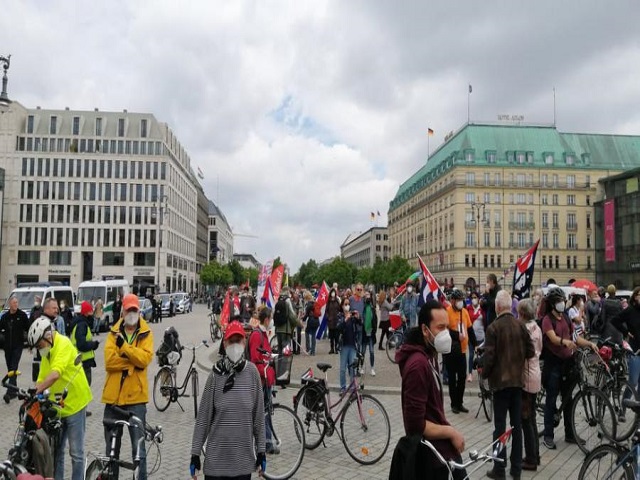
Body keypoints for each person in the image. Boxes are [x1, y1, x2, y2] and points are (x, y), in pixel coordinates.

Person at [391, 300, 466, 480]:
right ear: (425, 330)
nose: (445, 334)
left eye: (447, 327)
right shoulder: (418, 365)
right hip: (430, 457)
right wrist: (451, 432)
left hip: (439, 450)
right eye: (440, 327)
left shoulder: (429, 355)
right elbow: (416, 424)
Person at [190, 321, 265, 479]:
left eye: (238, 340)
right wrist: (195, 454)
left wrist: (261, 451)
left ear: (244, 342)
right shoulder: (215, 376)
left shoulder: (252, 374)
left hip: (243, 465)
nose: (235, 345)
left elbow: (258, 418)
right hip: (216, 466)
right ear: (224, 343)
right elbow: (203, 418)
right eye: (231, 341)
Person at [29, 316, 92, 480]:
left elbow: (55, 374)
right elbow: (42, 378)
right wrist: (31, 395)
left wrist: (37, 391)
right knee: (56, 453)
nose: (39, 349)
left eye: (39, 345)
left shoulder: (62, 344)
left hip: (75, 404)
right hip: (58, 406)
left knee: (76, 453)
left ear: (48, 336)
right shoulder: (47, 352)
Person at [101, 293, 154, 480]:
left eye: (135, 309)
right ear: (122, 311)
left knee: (139, 451)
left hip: (136, 400)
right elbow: (109, 362)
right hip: (113, 399)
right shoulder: (113, 333)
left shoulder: (146, 333)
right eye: (128, 309)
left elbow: (145, 359)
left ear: (138, 311)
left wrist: (124, 349)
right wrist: (132, 362)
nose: (131, 312)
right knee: (111, 452)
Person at [483, 291, 534, 480]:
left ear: (497, 307)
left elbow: (489, 358)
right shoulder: (521, 326)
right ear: (509, 306)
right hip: (517, 383)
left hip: (500, 384)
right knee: (517, 426)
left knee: (499, 428)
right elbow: (530, 351)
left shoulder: (493, 328)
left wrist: (485, 373)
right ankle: (516, 470)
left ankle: (499, 468)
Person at [540, 287, 598, 449]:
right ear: (552, 304)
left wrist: (590, 344)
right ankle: (548, 436)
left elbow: (575, 338)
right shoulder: (547, 320)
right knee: (551, 400)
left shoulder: (565, 317)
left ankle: (570, 433)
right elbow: (552, 337)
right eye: (559, 301)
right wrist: (563, 342)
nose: (562, 303)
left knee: (569, 400)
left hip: (568, 363)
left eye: (562, 300)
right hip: (553, 364)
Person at [517, 299, 543, 471]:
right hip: (535, 373)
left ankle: (531, 459)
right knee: (532, 418)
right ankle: (535, 454)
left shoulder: (524, 329)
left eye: (519, 312)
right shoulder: (537, 327)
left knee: (526, 420)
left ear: (523, 314)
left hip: (526, 377)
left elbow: (521, 354)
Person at [248, 308, 278, 453]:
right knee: (263, 413)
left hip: (266, 379)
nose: (271, 321)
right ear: (266, 319)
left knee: (266, 412)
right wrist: (266, 370)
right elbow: (254, 360)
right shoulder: (256, 335)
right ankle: (266, 444)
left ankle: (267, 442)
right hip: (260, 380)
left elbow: (264, 354)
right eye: (271, 318)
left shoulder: (263, 334)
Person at [444, 289, 476, 414]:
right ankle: (454, 404)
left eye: (461, 300)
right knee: (452, 378)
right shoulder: (447, 312)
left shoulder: (465, 312)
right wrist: (457, 335)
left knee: (462, 377)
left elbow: (470, 329)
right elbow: (445, 331)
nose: (460, 302)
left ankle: (460, 402)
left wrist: (475, 344)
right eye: (458, 300)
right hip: (451, 351)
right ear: (452, 301)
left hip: (462, 350)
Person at [70, 301, 100, 416]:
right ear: (87, 312)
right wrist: (93, 345)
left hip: (81, 360)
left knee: (82, 386)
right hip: (82, 361)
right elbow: (81, 344)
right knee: (84, 387)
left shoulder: (80, 323)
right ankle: (80, 410)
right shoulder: (82, 325)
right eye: (91, 311)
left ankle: (81, 409)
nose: (92, 313)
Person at [0, 296, 30, 403]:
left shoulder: (22, 315)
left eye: (17, 302)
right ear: (9, 304)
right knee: (10, 369)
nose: (16, 304)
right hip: (7, 347)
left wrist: (30, 345)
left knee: (13, 367)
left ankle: (9, 392)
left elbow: (29, 329)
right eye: (14, 303)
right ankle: (15, 390)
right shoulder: (5, 317)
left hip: (18, 346)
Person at [612, 287, 640, 395]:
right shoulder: (630, 310)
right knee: (633, 381)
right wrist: (626, 331)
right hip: (634, 351)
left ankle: (638, 407)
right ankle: (625, 403)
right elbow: (615, 320)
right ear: (635, 297)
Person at [339, 298, 362, 395]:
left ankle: (353, 387)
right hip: (344, 346)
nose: (347, 305)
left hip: (352, 345)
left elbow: (360, 324)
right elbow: (338, 328)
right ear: (342, 306)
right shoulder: (340, 316)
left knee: (352, 368)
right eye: (345, 304)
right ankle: (343, 387)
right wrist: (345, 319)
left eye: (348, 304)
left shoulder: (352, 316)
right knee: (343, 368)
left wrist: (358, 317)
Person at [466, 291, 484, 382]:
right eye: (472, 298)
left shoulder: (482, 309)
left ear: (478, 298)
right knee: (471, 355)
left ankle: (481, 374)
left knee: (481, 357)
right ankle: (470, 374)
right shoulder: (468, 308)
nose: (473, 299)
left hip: (481, 337)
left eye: (475, 297)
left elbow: (486, 321)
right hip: (471, 338)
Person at [361, 290, 378, 376]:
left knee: (371, 351)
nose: (367, 297)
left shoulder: (372, 308)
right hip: (364, 333)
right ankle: (362, 367)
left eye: (368, 295)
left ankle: (372, 368)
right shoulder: (362, 308)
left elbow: (375, 320)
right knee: (363, 351)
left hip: (371, 333)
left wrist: (374, 330)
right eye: (366, 295)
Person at [303, 291, 319, 355]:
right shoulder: (315, 302)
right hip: (316, 320)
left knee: (307, 332)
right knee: (313, 335)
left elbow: (306, 315)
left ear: (306, 298)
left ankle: (308, 348)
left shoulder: (309, 304)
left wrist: (303, 319)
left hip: (311, 321)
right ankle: (313, 351)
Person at [326, 288, 342, 354]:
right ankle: (332, 348)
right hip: (330, 321)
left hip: (336, 321)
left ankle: (336, 348)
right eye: (332, 292)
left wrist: (339, 316)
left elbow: (340, 309)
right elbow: (326, 311)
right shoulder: (328, 301)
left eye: (334, 292)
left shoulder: (337, 301)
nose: (333, 294)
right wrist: (328, 317)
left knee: (336, 336)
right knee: (331, 336)